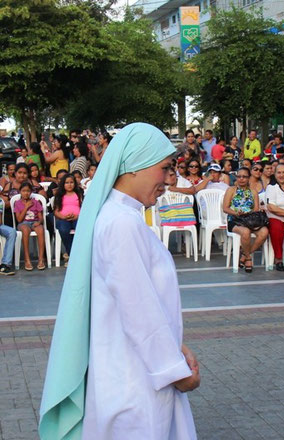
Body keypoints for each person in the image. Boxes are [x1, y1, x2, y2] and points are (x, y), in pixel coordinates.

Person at [39, 123, 200, 439]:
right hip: (135, 384)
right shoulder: (120, 223)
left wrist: (176, 347)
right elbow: (138, 310)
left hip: (141, 372)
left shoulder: (124, 218)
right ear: (135, 166)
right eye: (165, 168)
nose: (169, 180)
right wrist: (174, 370)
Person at [222, 167, 269, 272]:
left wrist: (249, 213)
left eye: (244, 176)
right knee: (246, 232)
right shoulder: (231, 190)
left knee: (264, 232)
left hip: (250, 220)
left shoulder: (253, 192)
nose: (241, 179)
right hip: (235, 219)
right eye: (239, 176)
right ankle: (248, 259)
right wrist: (236, 213)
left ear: (249, 178)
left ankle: (244, 254)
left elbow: (256, 209)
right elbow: (225, 208)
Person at [14, 182, 47, 270]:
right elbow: (19, 220)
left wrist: (39, 222)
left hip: (34, 222)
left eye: (28, 191)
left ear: (31, 192)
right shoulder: (17, 203)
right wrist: (26, 207)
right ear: (20, 192)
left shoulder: (35, 202)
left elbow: (40, 218)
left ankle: (41, 259)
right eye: (23, 191)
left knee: (40, 230)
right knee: (25, 230)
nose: (26, 193)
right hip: (23, 223)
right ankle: (27, 259)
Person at [53, 173, 83, 264]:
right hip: (63, 219)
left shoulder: (79, 194)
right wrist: (63, 217)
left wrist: (78, 216)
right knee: (63, 229)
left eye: (71, 182)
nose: (69, 185)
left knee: (81, 228)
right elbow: (56, 211)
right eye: (67, 183)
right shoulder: (60, 195)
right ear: (63, 184)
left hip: (77, 218)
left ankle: (79, 253)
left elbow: (83, 208)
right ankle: (71, 254)